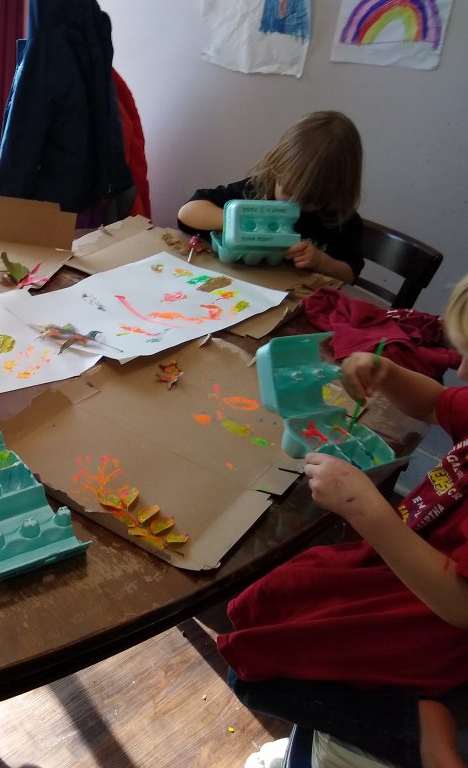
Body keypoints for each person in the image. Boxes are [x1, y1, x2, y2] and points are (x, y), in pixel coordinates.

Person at [217, 274, 468, 768]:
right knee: (272, 598)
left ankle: (408, 728)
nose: (462, 375)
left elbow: (460, 606)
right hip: (407, 567)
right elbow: (438, 403)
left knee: (250, 666)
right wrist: (389, 375)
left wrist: (364, 509)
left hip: (435, 624)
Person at [177, 110, 364, 283]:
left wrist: (322, 262)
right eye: (289, 191)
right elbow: (188, 212)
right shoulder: (257, 190)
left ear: (336, 195)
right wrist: (237, 223)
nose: (293, 204)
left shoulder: (341, 220)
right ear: (276, 170)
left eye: (309, 202)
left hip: (294, 301)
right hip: (238, 284)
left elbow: (350, 274)